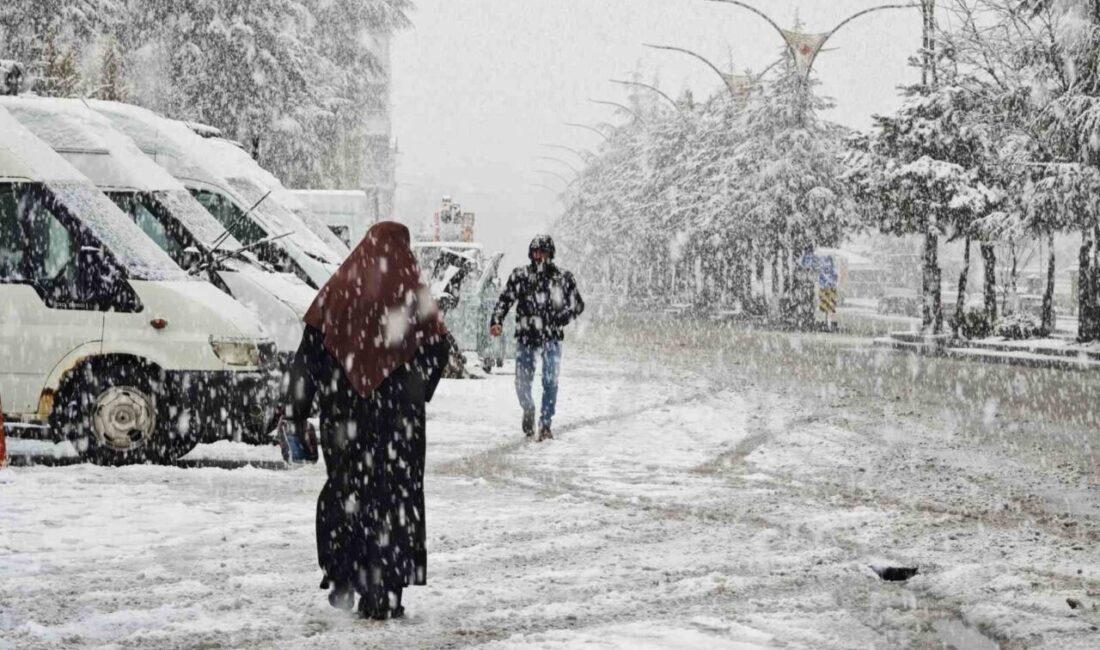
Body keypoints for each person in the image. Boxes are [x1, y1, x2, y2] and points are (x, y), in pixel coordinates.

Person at [284, 221, 450, 620]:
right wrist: (411, 385)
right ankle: (387, 588)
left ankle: (345, 575)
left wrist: (297, 411)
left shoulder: (341, 289)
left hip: (345, 416)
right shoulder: (411, 291)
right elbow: (439, 349)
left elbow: (309, 354)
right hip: (398, 422)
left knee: (347, 493)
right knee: (395, 499)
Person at [490, 235, 584, 441]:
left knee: (550, 380)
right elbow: (505, 300)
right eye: (535, 252)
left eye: (543, 252)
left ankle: (546, 423)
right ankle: (529, 408)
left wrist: (560, 319)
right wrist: (496, 320)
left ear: (551, 253)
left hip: (552, 337)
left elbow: (577, 305)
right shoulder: (520, 276)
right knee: (522, 382)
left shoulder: (563, 278)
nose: (538, 256)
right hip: (526, 336)